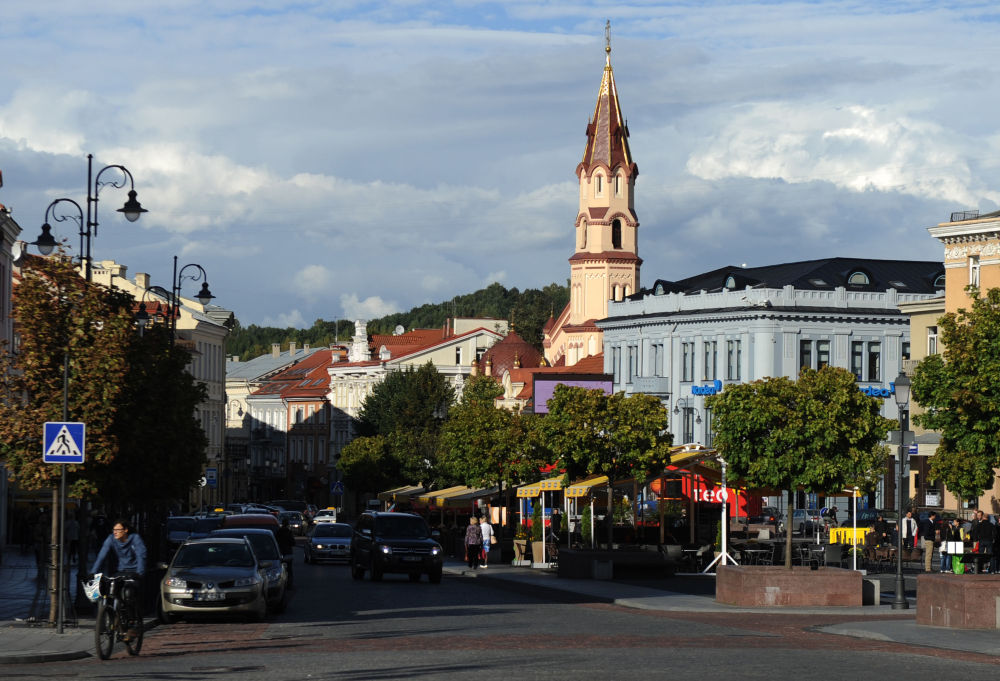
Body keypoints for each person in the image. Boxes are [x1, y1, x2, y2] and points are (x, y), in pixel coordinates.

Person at [90, 519, 147, 639]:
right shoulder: (111, 539)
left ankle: (132, 623)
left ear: (125, 530)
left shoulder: (135, 538)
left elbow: (141, 555)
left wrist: (139, 573)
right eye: (114, 530)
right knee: (108, 592)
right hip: (120, 570)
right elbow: (102, 555)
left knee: (128, 594)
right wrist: (93, 572)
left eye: (118, 530)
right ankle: (111, 618)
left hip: (134, 572)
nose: (115, 532)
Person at [276, 518, 296, 588]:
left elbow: (276, 542)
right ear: (287, 524)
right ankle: (289, 584)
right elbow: (293, 542)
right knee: (289, 569)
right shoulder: (289, 532)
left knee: (280, 569)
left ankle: (282, 583)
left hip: (280, 552)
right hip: (288, 552)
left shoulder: (278, 532)